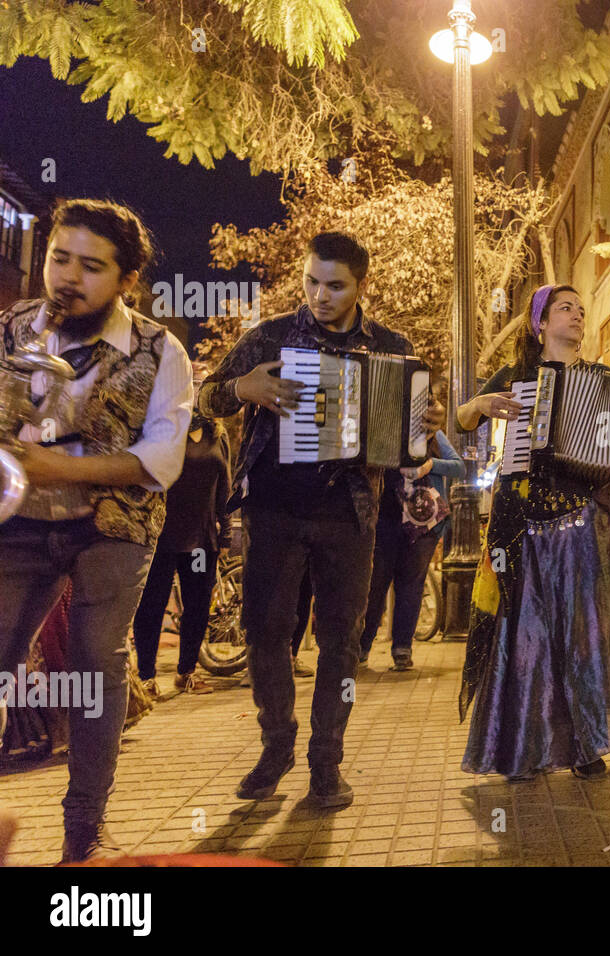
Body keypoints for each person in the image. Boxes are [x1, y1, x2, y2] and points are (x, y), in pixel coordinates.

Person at [197, 232, 433, 810]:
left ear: (361, 286)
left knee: (341, 643)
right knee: (266, 632)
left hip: (350, 516)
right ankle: (276, 745)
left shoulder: (393, 349)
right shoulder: (272, 336)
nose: (319, 295)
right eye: (311, 281)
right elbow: (204, 398)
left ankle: (327, 761)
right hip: (273, 511)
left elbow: (411, 447)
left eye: (334, 285)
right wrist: (239, 387)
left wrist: (411, 433)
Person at [0, 199, 193, 862]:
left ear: (126, 281)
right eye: (59, 258)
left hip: (113, 522)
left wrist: (58, 466)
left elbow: (162, 462)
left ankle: (83, 833)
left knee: (94, 662)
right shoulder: (10, 331)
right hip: (17, 519)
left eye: (90, 266)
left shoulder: (160, 350)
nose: (67, 278)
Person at [456, 284, 610, 780]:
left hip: (583, 522)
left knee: (585, 634)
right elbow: (462, 420)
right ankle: (522, 747)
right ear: (540, 324)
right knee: (525, 634)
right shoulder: (517, 377)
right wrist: (479, 403)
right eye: (565, 308)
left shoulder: (609, 383)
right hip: (522, 520)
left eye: (581, 309)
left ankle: (587, 744)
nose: (577, 316)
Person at [132, 364, 232, 698]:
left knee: (199, 605)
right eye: (191, 386)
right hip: (162, 534)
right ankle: (146, 675)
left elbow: (225, 485)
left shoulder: (219, 434)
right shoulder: (163, 429)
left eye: (202, 387)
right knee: (152, 605)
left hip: (201, 538)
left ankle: (186, 671)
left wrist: (226, 528)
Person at [359, 400, 463, 670]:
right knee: (375, 585)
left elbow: (458, 466)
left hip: (422, 523)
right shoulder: (382, 431)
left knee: (411, 586)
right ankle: (362, 649)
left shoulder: (431, 434)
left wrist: (429, 465)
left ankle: (402, 650)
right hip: (386, 518)